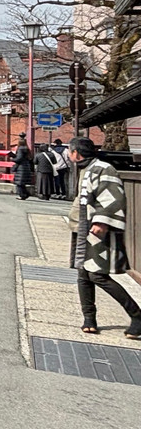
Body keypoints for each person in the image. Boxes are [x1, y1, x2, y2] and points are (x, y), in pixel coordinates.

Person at [68, 137, 141, 338]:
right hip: (83, 228)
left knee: (97, 274)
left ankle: (137, 315)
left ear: (75, 153)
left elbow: (114, 197)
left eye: (69, 150)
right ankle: (89, 319)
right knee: (83, 274)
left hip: (98, 230)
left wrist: (101, 221)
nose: (68, 154)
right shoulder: (86, 168)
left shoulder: (103, 168)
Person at [9, 134, 33, 200]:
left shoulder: (20, 149)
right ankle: (25, 194)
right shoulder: (27, 149)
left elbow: (19, 158)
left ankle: (22, 195)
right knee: (22, 183)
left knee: (19, 183)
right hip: (26, 166)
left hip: (21, 167)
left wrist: (12, 158)